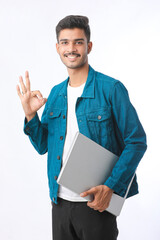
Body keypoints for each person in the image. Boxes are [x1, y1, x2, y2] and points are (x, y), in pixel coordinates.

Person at [16, 15, 147, 240]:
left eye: (78, 42)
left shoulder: (111, 89)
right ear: (57, 48)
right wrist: (30, 115)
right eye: (65, 42)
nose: (71, 48)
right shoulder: (56, 93)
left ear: (89, 46)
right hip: (59, 204)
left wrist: (110, 187)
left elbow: (136, 141)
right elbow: (42, 146)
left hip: (96, 205)